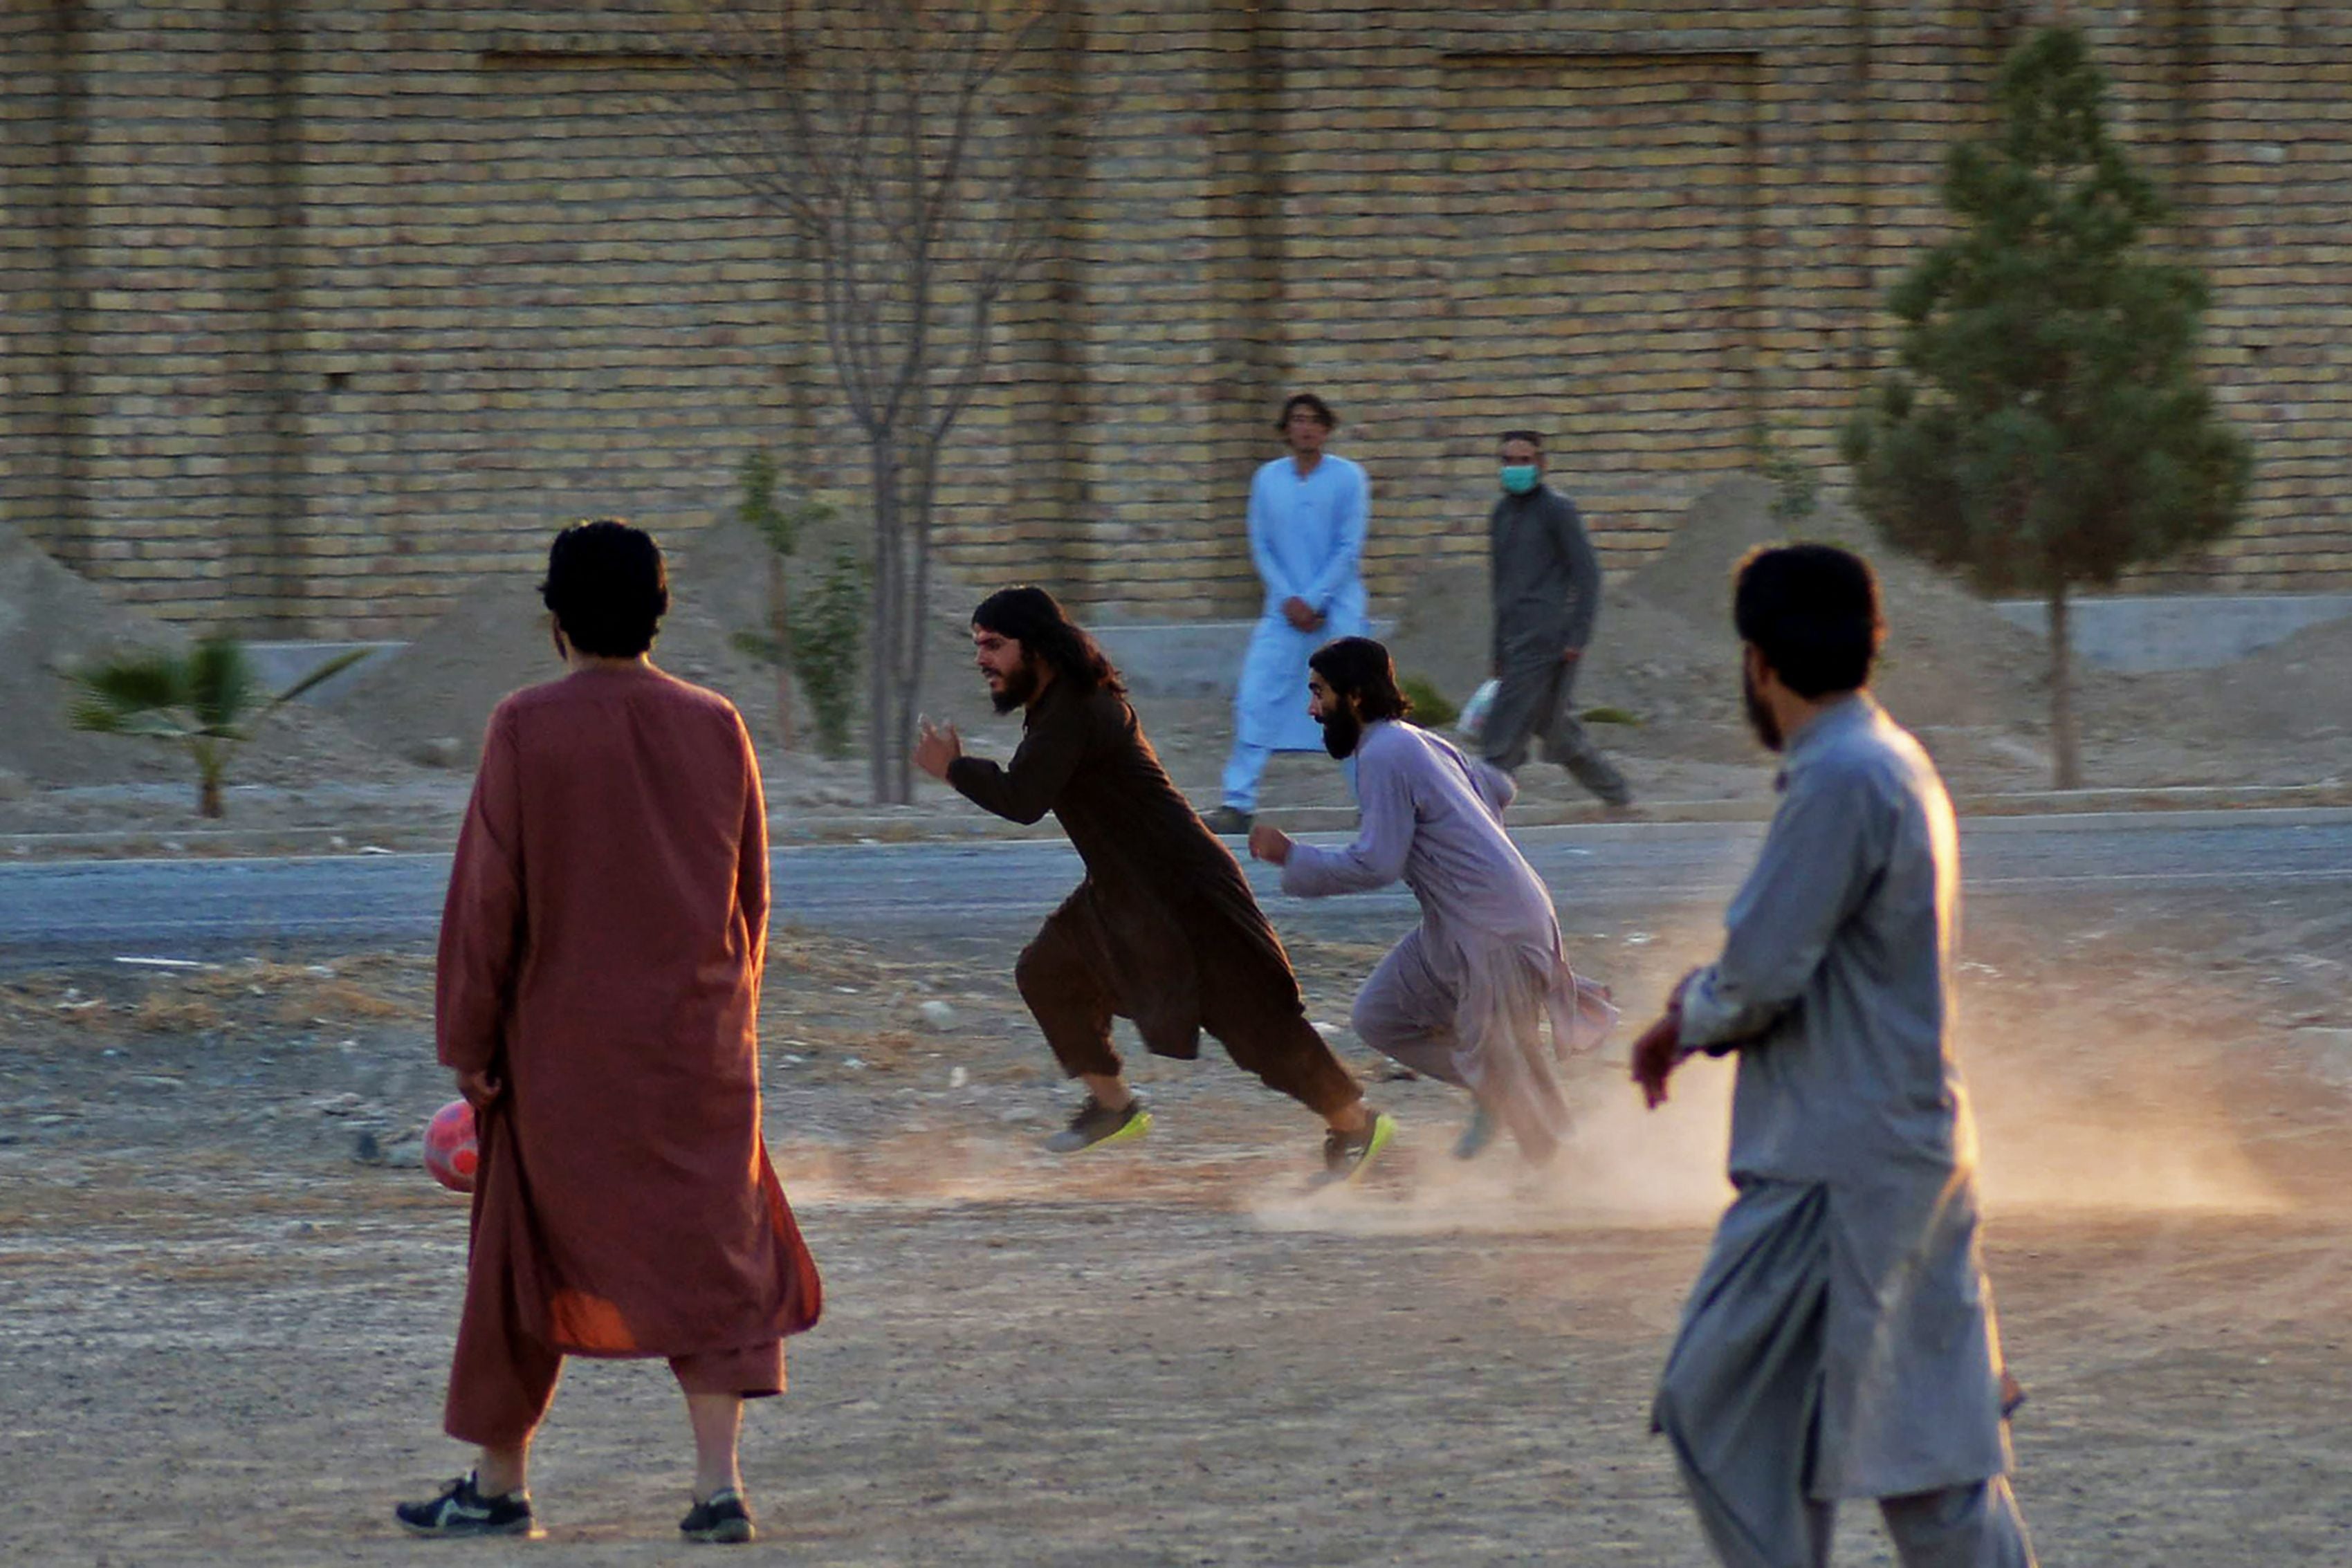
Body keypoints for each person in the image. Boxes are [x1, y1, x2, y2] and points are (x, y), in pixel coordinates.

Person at [398, 520, 822, 1546]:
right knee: (712, 1251)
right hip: (699, 1046)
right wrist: (727, 1018)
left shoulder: (524, 727)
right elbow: (749, 897)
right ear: (660, 612)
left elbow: (487, 902)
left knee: (517, 1251)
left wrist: (472, 1044)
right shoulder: (719, 723)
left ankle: (499, 1484)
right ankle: (718, 1488)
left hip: (561, 1058)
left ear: (555, 620)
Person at [1629, 544, 2035, 1567]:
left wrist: (1689, 1013)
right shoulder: (1885, 759)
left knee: (1774, 1418)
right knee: (1852, 1438)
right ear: (1872, 642)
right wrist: (1701, 1007)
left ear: (1758, 661)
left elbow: (1761, 975)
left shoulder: (1842, 778)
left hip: (1836, 1171)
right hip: (1873, 1150)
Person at [914, 584, 1395, 1181]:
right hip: (1124, 891)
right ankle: (1115, 1109)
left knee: (1257, 1031)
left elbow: (1023, 798)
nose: (983, 658)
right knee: (1048, 970)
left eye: (994, 645)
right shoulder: (1057, 705)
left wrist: (955, 769)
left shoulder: (1077, 709)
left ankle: (1359, 1126)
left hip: (1185, 891)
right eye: (978, 645)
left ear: (1035, 647)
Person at [1248, 638, 1615, 1163]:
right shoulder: (1414, 741)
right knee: (1381, 1016)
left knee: (1522, 1086)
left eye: (1318, 693)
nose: (1311, 708)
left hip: (1494, 930)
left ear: (1353, 696)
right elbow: (1500, 787)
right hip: (1460, 924)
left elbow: (1378, 862)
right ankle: (1496, 1090)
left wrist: (1293, 856)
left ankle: (1573, 1188)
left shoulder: (1383, 753)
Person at [1202, 392, 1370, 836]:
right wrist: (1289, 599)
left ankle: (1373, 804)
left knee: (1347, 706)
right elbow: (1262, 546)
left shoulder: (1348, 478)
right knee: (1257, 697)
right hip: (1283, 612)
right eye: (1298, 420)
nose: (1306, 428)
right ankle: (1237, 803)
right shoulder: (1268, 479)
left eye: (1315, 420)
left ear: (1327, 428)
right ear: (1286, 428)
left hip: (1337, 613)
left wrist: (1316, 600)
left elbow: (1348, 547)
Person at [1480, 429, 1630, 807]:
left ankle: (1478, 809)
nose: (1516, 468)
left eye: (1524, 461)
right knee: (1554, 727)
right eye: (1508, 461)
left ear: (1542, 464)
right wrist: (1498, 647)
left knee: (1502, 728)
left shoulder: (1557, 509)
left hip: (1547, 635)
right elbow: (1500, 587)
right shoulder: (1500, 515)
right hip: (1515, 636)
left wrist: (1578, 635)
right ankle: (1617, 796)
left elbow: (1588, 575)